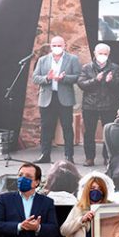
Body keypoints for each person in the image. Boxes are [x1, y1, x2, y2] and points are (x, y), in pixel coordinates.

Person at [32, 35, 81, 164]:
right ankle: (45, 154)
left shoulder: (73, 59)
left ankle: (69, 156)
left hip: (64, 98)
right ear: (51, 46)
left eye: (59, 45)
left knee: (67, 127)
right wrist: (47, 78)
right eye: (54, 45)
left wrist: (63, 78)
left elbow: (77, 76)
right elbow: (35, 78)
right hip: (47, 98)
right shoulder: (43, 60)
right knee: (46, 127)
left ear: (64, 46)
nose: (57, 48)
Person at [77, 43, 119, 167]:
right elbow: (81, 83)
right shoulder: (87, 68)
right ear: (94, 53)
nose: (102, 56)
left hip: (108, 105)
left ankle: (107, 157)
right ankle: (89, 158)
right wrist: (95, 80)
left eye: (105, 54)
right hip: (90, 105)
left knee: (108, 133)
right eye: (100, 53)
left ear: (109, 54)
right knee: (89, 133)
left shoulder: (115, 68)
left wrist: (110, 81)